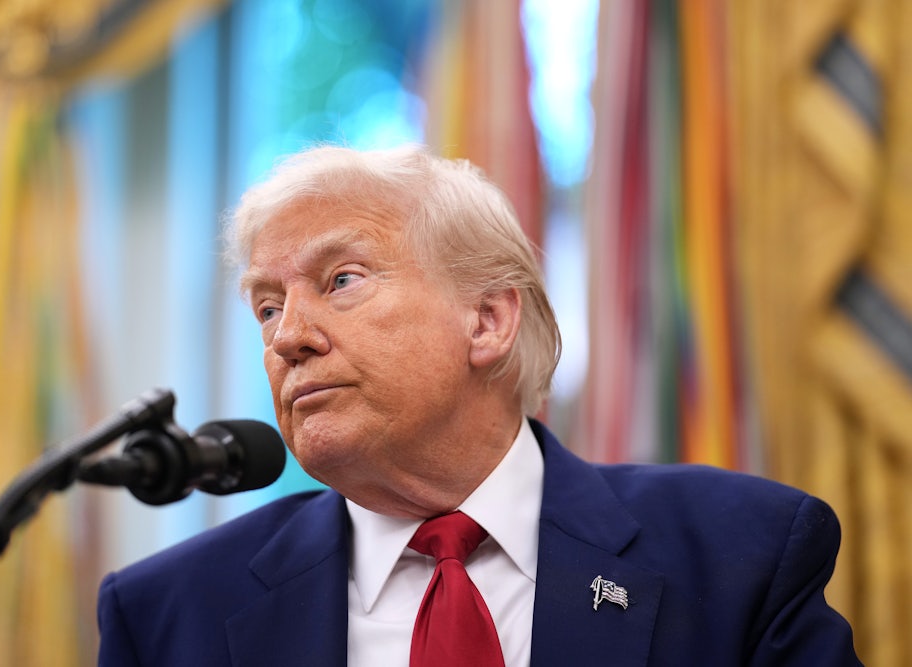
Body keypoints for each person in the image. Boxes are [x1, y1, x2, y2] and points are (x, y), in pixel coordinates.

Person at [95, 144, 862, 666]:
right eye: (266, 307)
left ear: (488, 319)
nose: (288, 336)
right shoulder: (167, 613)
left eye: (341, 280)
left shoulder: (743, 556)